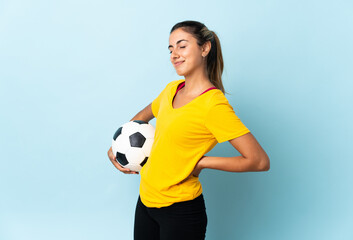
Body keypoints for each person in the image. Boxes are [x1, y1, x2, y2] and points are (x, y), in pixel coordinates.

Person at [107, 20, 270, 240]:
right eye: (171, 49)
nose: (174, 54)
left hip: (180, 212)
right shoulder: (171, 90)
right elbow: (136, 123)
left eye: (182, 46)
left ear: (205, 48)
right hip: (146, 201)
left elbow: (259, 161)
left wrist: (202, 162)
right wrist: (118, 147)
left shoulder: (213, 105)